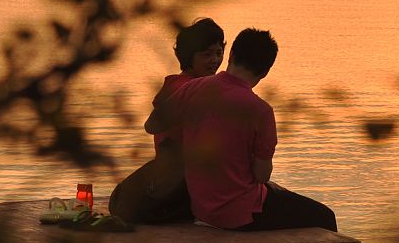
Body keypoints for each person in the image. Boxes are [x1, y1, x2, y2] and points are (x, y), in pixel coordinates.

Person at [147, 27, 337, 233]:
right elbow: (262, 175)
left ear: (231, 55)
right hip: (240, 215)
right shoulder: (261, 111)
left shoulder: (194, 87)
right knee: (324, 217)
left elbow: (152, 125)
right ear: (265, 71)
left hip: (201, 208)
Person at [108, 18, 226, 224]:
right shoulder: (192, 89)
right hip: (180, 178)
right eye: (207, 54)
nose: (215, 60)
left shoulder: (176, 84)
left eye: (218, 53)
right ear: (190, 57)